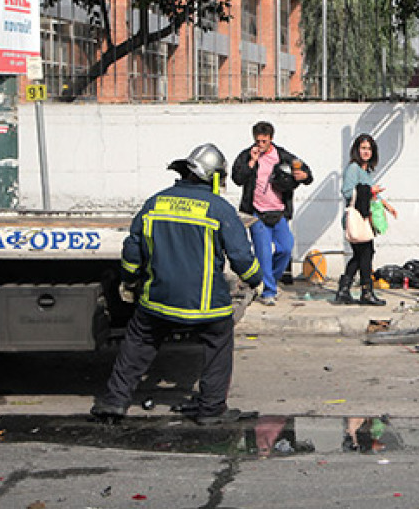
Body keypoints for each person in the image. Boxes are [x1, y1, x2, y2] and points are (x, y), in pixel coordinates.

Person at [91, 143, 263, 425]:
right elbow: (242, 257)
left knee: (138, 341)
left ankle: (114, 401)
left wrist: (130, 279)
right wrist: (256, 281)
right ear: (214, 177)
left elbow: (133, 251)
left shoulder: (155, 203)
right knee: (219, 342)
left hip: (157, 299)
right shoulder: (219, 209)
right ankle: (210, 410)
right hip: (206, 305)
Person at [231, 121, 312, 306]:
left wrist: (304, 176)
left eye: (264, 141)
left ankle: (268, 280)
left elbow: (306, 172)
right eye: (257, 141)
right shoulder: (247, 156)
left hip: (279, 212)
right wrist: (251, 162)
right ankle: (268, 291)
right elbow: (237, 178)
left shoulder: (283, 156)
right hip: (256, 212)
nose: (260, 145)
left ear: (271, 140)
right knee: (264, 252)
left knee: (285, 248)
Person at [334, 133, 396, 306]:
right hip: (356, 219)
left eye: (369, 149)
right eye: (363, 148)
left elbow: (371, 193)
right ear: (357, 150)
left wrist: (386, 205)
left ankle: (344, 290)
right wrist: (369, 191)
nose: (366, 152)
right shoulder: (353, 169)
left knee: (361, 255)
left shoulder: (365, 170)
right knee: (365, 254)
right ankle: (366, 292)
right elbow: (347, 192)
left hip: (364, 218)